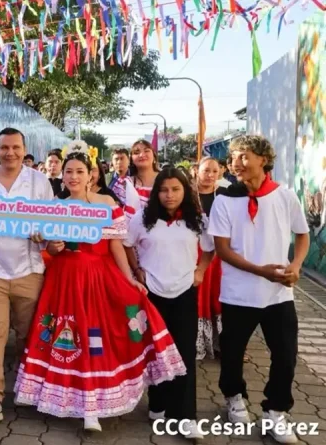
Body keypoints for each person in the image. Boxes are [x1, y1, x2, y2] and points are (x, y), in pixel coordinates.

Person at [14, 151, 185, 432]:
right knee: (70, 337)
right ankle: (71, 401)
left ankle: (92, 407)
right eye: (68, 171)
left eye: (79, 171)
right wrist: (52, 246)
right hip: (64, 279)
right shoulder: (55, 206)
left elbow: (116, 244)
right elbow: (51, 247)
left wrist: (129, 278)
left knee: (96, 337)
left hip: (98, 277)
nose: (73, 177)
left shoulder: (106, 203)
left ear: (91, 173)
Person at [209, 136, 309, 444]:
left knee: (286, 355)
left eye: (244, 156)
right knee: (233, 354)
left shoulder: (285, 196)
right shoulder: (225, 198)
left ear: (263, 159)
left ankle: (276, 411)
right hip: (237, 293)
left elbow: (302, 235)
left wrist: (296, 266)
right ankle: (234, 397)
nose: (236, 163)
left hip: (278, 294)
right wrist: (260, 271)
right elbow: (222, 250)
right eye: (234, 157)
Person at [124, 167, 214, 439]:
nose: (169, 195)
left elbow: (210, 249)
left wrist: (200, 271)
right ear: (156, 193)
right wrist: (137, 269)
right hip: (152, 293)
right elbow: (127, 244)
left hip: (185, 292)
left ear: (185, 191)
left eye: (176, 189)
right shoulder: (142, 218)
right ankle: (158, 403)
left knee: (184, 353)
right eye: (163, 190)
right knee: (156, 351)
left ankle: (186, 417)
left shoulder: (196, 219)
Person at [0, 128, 54, 422]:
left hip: (29, 269)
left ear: (24, 149)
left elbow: (50, 222)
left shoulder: (39, 181)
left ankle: (27, 386)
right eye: (5, 147)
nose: (10, 153)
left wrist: (42, 236)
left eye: (16, 147)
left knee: (28, 332)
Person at [195, 157, 228, 360]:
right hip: (194, 252)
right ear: (196, 171)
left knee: (218, 297)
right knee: (199, 297)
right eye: (206, 170)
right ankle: (197, 344)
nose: (210, 175)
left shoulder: (224, 195)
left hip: (220, 253)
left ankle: (222, 344)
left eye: (214, 172)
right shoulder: (187, 194)